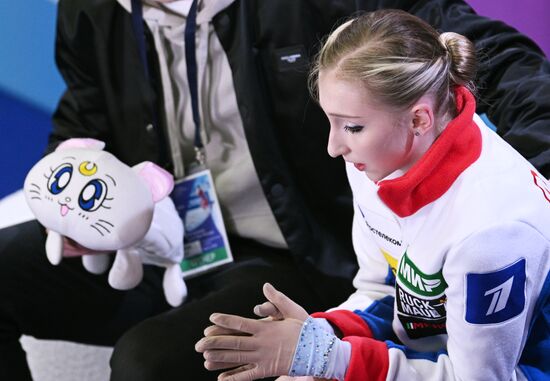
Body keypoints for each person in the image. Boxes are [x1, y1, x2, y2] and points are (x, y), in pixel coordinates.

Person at [0, 0, 549, 380]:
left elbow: (466, 50)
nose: (337, 146)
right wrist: (71, 207)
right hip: (162, 233)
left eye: (350, 127)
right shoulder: (90, 10)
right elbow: (83, 114)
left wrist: (530, 193)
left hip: (295, 252)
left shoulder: (484, 230)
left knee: (149, 363)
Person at [195, 9, 550, 381]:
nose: (334, 147)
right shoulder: (379, 160)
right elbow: (382, 293)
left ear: (419, 119)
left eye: (352, 126)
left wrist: (329, 358)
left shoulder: (490, 235)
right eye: (330, 120)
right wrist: (323, 334)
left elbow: (479, 379)